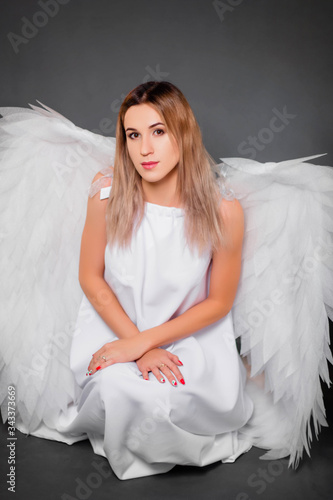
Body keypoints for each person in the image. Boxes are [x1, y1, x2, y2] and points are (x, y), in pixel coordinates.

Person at [0, 81, 332, 480]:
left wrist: (146, 344)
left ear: (183, 133)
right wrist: (134, 348)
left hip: (191, 340)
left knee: (163, 402)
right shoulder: (106, 195)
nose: (144, 149)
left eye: (158, 132)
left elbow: (218, 302)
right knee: (119, 393)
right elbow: (91, 277)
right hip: (114, 331)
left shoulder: (223, 209)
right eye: (133, 135)